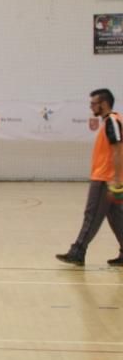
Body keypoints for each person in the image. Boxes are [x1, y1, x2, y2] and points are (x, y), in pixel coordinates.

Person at [56, 89, 123, 266]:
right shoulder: (111, 122)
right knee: (116, 217)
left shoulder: (113, 121)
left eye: (94, 103)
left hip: (105, 179)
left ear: (104, 103)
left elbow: (118, 150)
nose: (91, 106)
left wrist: (115, 179)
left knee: (92, 215)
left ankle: (78, 251)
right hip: (108, 177)